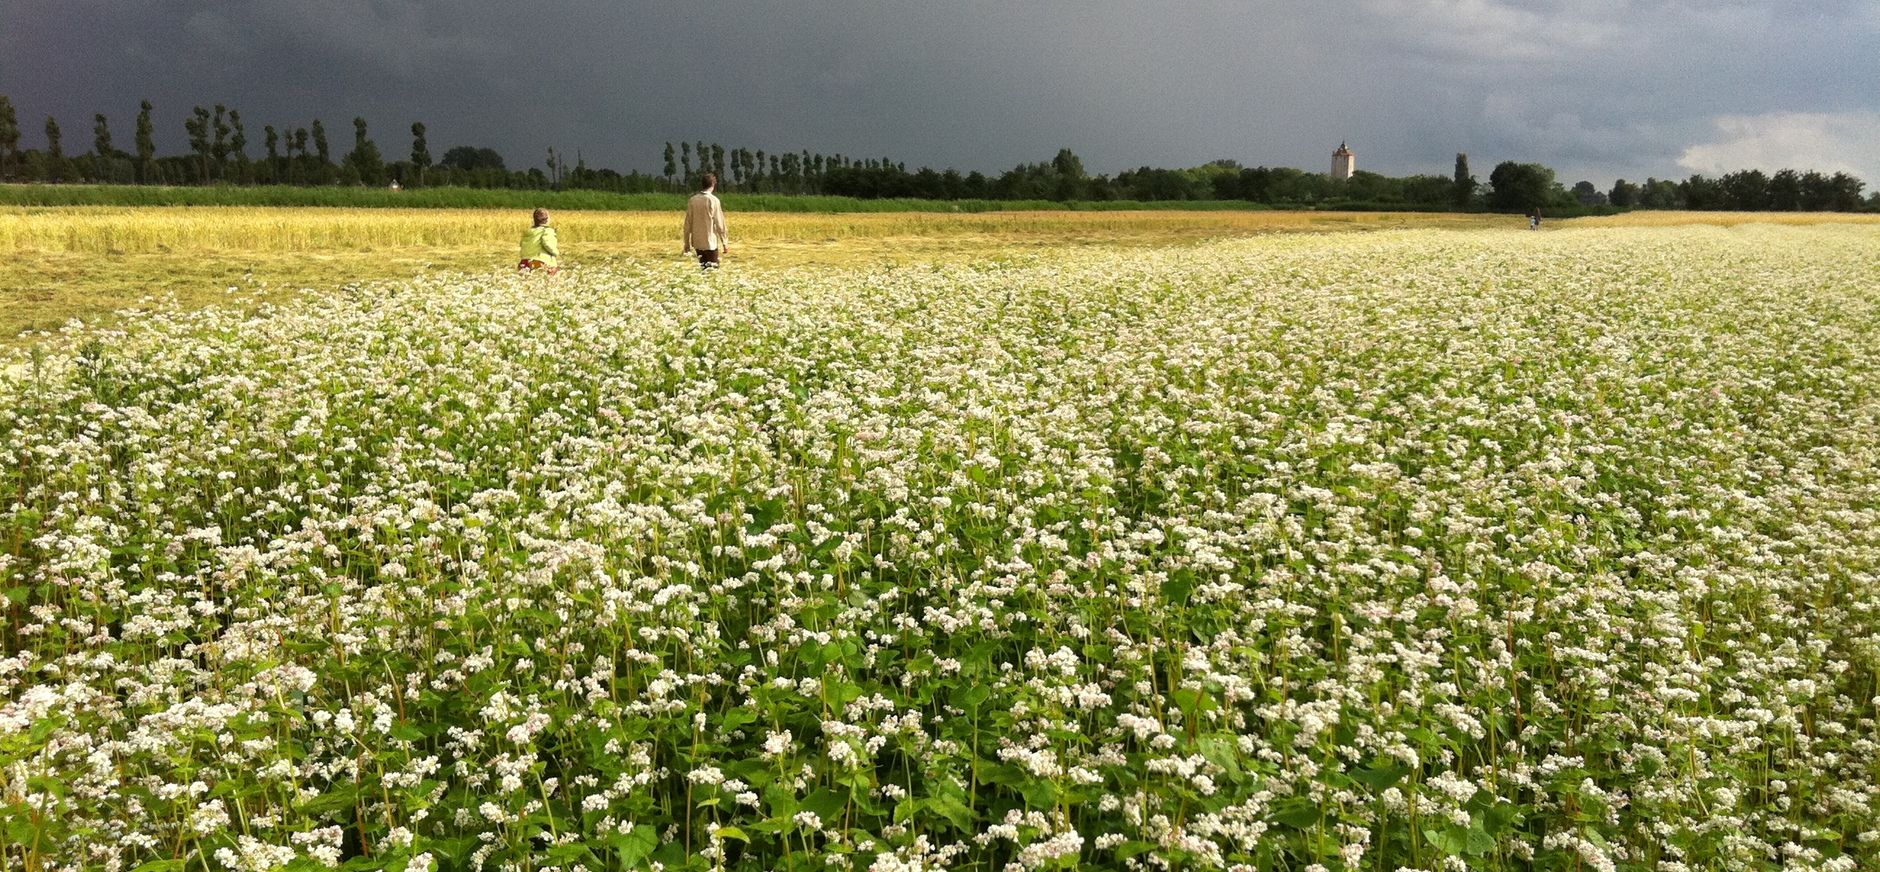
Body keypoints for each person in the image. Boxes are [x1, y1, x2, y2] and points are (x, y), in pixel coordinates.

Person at [683, 173, 728, 269]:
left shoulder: (693, 200)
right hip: (710, 242)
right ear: (713, 184)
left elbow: (687, 224)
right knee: (713, 270)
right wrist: (724, 242)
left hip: (697, 242)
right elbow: (720, 223)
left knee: (704, 270)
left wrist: (686, 243)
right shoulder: (713, 200)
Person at [519, 208, 560, 274]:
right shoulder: (547, 231)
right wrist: (556, 252)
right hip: (541, 261)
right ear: (547, 219)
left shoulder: (528, 232)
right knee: (552, 276)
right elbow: (547, 244)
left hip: (525, 262)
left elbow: (521, 244)